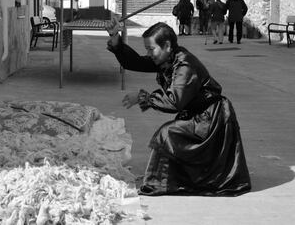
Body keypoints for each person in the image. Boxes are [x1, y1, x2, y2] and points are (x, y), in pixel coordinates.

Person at [105, 19, 251, 196]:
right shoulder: (166, 59)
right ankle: (165, 180)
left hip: (212, 118)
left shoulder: (184, 65)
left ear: (166, 45)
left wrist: (143, 97)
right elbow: (134, 62)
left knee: (167, 134)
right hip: (195, 114)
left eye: (151, 49)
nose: (149, 54)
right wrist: (114, 36)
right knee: (172, 135)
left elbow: (175, 101)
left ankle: (159, 183)